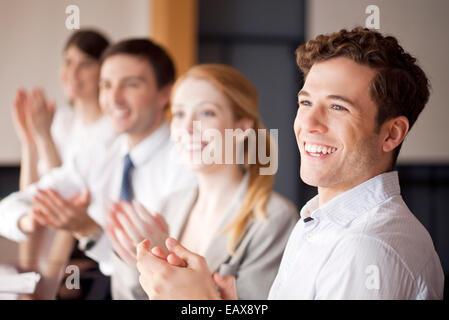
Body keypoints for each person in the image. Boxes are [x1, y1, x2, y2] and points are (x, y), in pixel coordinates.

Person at [135, 27, 444, 300]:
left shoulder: (364, 250)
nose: (308, 123)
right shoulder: (316, 221)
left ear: (391, 134)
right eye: (305, 102)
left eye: (337, 107)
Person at [0, 38, 196, 297]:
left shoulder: (186, 163)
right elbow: (8, 208)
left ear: (164, 93)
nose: (114, 98)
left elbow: (173, 269)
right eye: (106, 85)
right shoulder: (100, 152)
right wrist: (31, 218)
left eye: (131, 85)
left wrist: (91, 232)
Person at [106, 64, 299, 299]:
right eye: (179, 114)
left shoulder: (272, 220)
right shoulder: (170, 205)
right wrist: (132, 258)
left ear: (240, 128)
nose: (187, 128)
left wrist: (170, 265)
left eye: (206, 113)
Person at [11, 29, 115, 299]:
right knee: (32, 212)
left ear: (103, 71)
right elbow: (33, 192)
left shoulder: (111, 129)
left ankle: (36, 288)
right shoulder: (64, 120)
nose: (73, 72)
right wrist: (30, 142)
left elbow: (66, 193)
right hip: (47, 234)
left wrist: (44, 137)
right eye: (68, 62)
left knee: (61, 212)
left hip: (82, 237)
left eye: (84, 64)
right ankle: (28, 284)